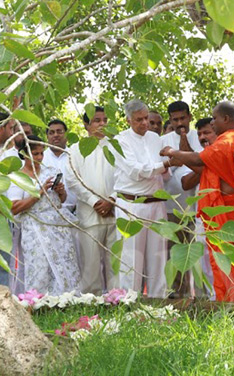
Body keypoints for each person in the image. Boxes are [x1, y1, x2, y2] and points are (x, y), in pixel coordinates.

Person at [161, 101, 234, 302]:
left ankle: (232, 303)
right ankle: (226, 301)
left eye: (214, 119)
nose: (212, 123)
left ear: (226, 119)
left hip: (227, 211)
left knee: (227, 259)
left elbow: (199, 160)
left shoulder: (228, 140)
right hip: (229, 208)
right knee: (226, 258)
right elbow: (207, 169)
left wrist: (173, 153)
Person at [112, 100, 180, 298]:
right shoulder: (120, 140)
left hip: (156, 203)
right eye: (138, 120)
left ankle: (158, 304)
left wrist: (167, 163)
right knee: (130, 258)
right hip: (131, 204)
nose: (144, 123)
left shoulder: (155, 138)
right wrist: (166, 162)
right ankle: (128, 303)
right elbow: (136, 171)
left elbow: (164, 173)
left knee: (158, 257)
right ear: (128, 120)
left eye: (146, 118)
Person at [7, 135, 80, 294]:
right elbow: (13, 207)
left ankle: (65, 300)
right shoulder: (18, 177)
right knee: (40, 265)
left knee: (64, 263)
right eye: (35, 154)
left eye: (41, 153)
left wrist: (61, 192)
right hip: (34, 227)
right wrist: (38, 193)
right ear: (24, 154)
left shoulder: (50, 172)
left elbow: (61, 200)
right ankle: (38, 302)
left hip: (57, 225)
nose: (39, 157)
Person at [65, 106, 118, 295]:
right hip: (89, 213)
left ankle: (116, 299)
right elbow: (72, 181)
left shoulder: (115, 147)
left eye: (105, 120)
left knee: (115, 262)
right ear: (86, 124)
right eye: (97, 120)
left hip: (114, 211)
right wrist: (95, 202)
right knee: (90, 263)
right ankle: (90, 302)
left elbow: (122, 176)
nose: (102, 124)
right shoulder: (75, 150)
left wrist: (112, 199)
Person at [160, 101, 203, 296]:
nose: (179, 123)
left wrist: (183, 151)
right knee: (176, 254)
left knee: (198, 256)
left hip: (199, 208)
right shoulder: (163, 141)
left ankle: (202, 297)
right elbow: (162, 170)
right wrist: (177, 158)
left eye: (183, 118)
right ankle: (178, 296)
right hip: (173, 208)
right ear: (170, 120)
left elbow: (202, 165)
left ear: (190, 117)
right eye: (175, 120)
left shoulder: (200, 136)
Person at [43, 119, 76, 212]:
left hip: (75, 212)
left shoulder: (75, 156)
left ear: (66, 134)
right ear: (47, 137)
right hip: (48, 212)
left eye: (59, 131)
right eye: (51, 133)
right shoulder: (41, 158)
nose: (56, 135)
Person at [0, 112, 16, 287]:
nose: (12, 133)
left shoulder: (10, 154)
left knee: (4, 266)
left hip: (5, 217)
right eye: (10, 128)